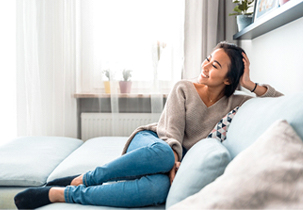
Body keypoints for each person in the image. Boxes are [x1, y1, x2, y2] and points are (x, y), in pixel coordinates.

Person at [14, 42, 283, 209]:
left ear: (228, 79)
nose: (205, 66)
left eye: (215, 65)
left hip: (171, 160)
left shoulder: (235, 102)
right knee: (165, 153)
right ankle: (87, 178)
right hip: (154, 142)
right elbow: (171, 133)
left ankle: (63, 193)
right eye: (207, 58)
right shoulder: (184, 88)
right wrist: (174, 162)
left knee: (157, 191)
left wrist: (249, 84)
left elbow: (280, 103)